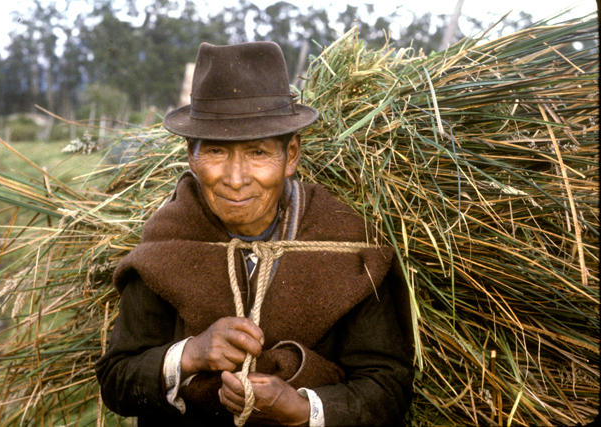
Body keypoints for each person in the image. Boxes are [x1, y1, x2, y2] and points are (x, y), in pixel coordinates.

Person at [95, 41, 413, 426]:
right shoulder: (166, 241)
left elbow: (388, 387)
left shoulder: (346, 244)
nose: (235, 179)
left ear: (291, 155)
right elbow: (116, 380)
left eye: (258, 153)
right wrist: (190, 354)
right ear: (191, 157)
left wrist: (299, 409)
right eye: (215, 151)